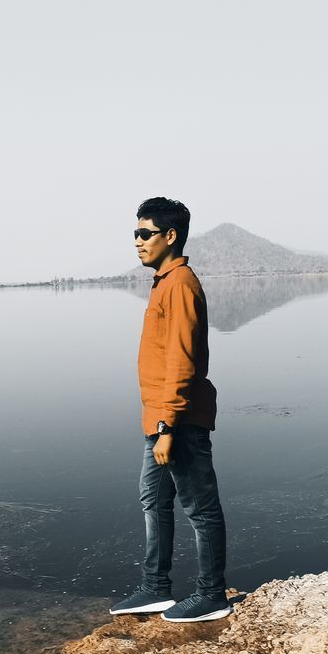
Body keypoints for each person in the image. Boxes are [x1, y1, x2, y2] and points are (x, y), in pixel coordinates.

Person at [110, 197, 231, 622]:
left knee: (200, 507)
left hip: (176, 421)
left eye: (145, 234)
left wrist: (167, 426)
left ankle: (212, 595)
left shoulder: (179, 283)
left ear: (170, 236)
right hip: (161, 418)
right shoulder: (164, 281)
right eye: (135, 234)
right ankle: (155, 589)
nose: (137, 242)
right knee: (154, 500)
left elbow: (182, 361)